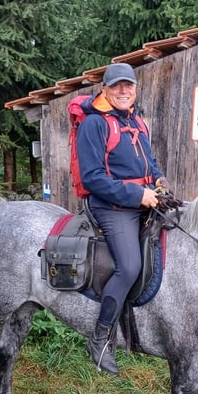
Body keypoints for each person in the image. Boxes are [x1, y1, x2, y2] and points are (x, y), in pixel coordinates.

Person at [76, 63, 169, 376]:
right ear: (105, 89)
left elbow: (150, 162)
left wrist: (158, 182)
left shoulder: (135, 120)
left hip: (143, 200)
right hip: (111, 207)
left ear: (135, 88)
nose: (123, 91)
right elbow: (92, 179)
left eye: (128, 85)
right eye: (116, 86)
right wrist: (137, 196)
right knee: (129, 266)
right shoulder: (94, 124)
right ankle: (100, 337)